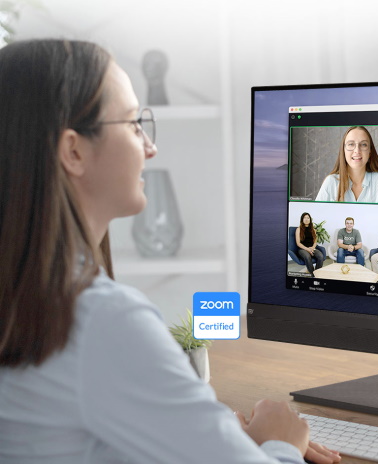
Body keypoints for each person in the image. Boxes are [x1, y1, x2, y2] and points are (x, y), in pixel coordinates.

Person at [0, 39, 339, 464]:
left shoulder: (26, 303)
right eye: (132, 123)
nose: (150, 146)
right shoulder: (101, 321)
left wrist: (200, 433)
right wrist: (281, 441)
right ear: (73, 151)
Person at [315, 126, 378, 203]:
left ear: (370, 151)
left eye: (363, 144)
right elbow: (315, 216)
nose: (357, 150)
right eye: (351, 144)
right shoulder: (331, 182)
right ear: (343, 150)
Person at [295, 212, 324, 277]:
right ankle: (313, 275)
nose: (306, 219)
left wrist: (312, 248)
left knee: (320, 256)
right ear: (302, 219)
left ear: (310, 220)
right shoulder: (298, 229)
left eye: (308, 218)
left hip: (312, 248)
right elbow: (298, 243)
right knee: (307, 257)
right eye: (304, 218)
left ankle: (317, 273)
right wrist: (307, 249)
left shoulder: (313, 229)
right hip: (302, 249)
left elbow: (315, 241)